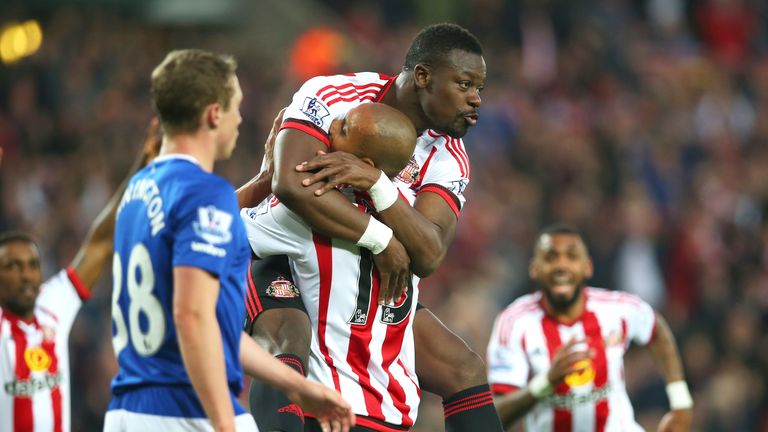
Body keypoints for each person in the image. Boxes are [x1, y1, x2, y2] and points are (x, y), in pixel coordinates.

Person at [238, 23, 503, 432]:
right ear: (423, 77)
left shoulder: (450, 155)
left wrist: (378, 186)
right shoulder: (333, 97)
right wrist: (380, 238)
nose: (476, 100)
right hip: (281, 257)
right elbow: (289, 184)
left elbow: (428, 254)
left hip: (363, 278)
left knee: (462, 367)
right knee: (287, 337)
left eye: (479, 89)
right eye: (465, 84)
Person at [104, 49, 353, 432]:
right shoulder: (207, 194)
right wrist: (224, 423)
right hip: (186, 410)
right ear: (214, 114)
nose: (240, 119)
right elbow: (193, 318)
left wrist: (296, 386)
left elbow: (210, 325)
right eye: (237, 106)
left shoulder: (137, 192)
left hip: (128, 410)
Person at [242, 102, 418, 432]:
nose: (331, 126)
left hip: (328, 410)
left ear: (364, 163)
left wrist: (265, 179)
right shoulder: (409, 215)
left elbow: (214, 230)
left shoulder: (309, 208)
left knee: (260, 274)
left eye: (345, 128)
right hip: (394, 411)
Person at [0, 118, 161, 432]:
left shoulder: (52, 305)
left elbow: (100, 244)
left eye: (32, 265)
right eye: (12, 267)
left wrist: (143, 163)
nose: (26, 275)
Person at [486, 223, 694, 431]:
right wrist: (545, 383)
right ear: (534, 268)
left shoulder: (617, 308)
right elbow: (498, 415)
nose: (562, 266)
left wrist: (681, 402)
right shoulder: (514, 322)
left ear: (587, 266)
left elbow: (656, 330)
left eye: (572, 256)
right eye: (551, 257)